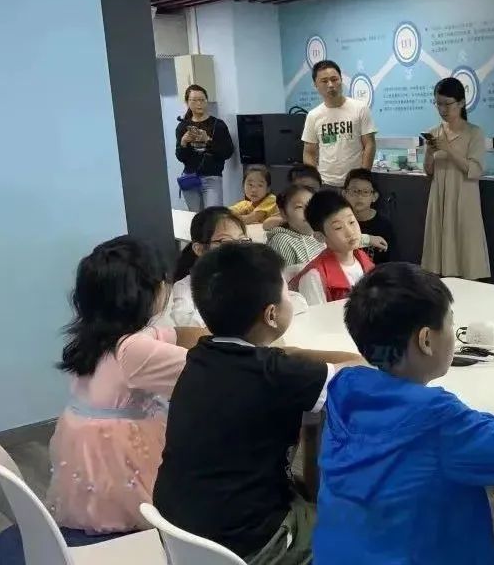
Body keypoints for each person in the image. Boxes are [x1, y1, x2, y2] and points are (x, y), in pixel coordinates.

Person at [314, 263, 494, 564]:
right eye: (451, 323)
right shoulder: (437, 418)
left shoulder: (344, 388)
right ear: (426, 340)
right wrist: (478, 420)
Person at [154, 243, 365, 564]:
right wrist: (302, 358)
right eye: (286, 292)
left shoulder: (202, 355)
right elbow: (359, 372)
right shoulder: (275, 373)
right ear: (272, 314)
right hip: (249, 541)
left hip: (181, 528)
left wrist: (292, 355)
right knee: (363, 529)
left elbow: (280, 360)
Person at [46, 236, 206, 533]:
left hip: (87, 443)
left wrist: (205, 333)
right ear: (149, 292)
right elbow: (209, 370)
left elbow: (173, 334)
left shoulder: (98, 333)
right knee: (162, 507)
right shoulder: (133, 349)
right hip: (118, 451)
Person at [421, 77, 491, 280]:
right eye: (438, 104)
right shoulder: (435, 132)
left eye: (447, 104)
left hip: (464, 198)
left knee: (465, 251)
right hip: (439, 198)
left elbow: (475, 170)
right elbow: (428, 171)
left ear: (461, 103)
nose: (442, 109)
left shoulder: (474, 133)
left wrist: (448, 150)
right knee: (437, 254)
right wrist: (429, 151)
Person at [167, 207, 250, 328]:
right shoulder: (186, 286)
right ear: (199, 249)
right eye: (226, 242)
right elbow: (186, 326)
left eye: (242, 240)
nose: (238, 249)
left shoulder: (252, 278)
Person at [290, 190, 375, 305]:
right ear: (320, 237)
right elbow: (317, 315)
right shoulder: (314, 277)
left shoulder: (364, 259)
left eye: (351, 222)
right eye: (338, 227)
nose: (350, 232)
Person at [301, 60, 378, 188]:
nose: (331, 85)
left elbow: (369, 144)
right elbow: (309, 153)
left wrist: (363, 178)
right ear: (315, 85)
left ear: (341, 80)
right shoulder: (313, 115)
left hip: (355, 184)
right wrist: (314, 180)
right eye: (324, 81)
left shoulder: (360, 109)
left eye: (334, 79)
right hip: (325, 183)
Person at [175, 84, 235, 212]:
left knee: (213, 216)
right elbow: (181, 157)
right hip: (190, 177)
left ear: (206, 101)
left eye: (202, 100)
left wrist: (207, 140)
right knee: (196, 217)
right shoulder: (182, 127)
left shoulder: (218, 125)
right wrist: (184, 142)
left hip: (212, 177)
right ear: (187, 102)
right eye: (194, 100)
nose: (199, 104)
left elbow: (228, 152)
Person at [342, 168, 394, 264]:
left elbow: (386, 262)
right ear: (344, 194)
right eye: (354, 191)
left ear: (374, 197)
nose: (359, 196)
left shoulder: (384, 225)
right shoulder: (339, 221)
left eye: (365, 192)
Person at [266, 185, 326, 267]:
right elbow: (284, 274)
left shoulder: (320, 236)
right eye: (299, 207)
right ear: (284, 213)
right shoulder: (282, 241)